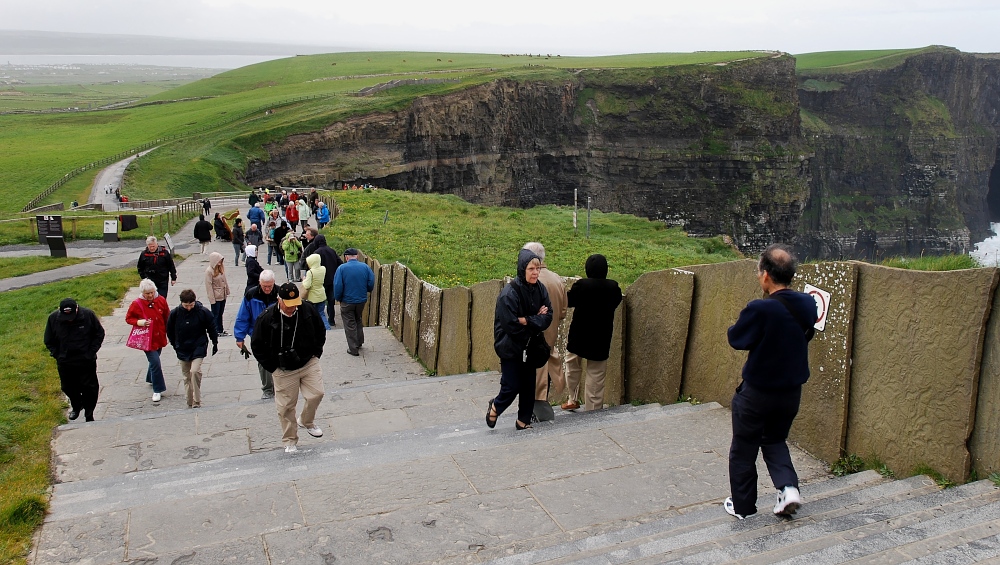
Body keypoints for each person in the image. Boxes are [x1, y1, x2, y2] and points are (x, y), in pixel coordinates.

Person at [724, 244, 817, 521]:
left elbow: (736, 338)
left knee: (743, 448)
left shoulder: (760, 309)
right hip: (790, 393)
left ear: (766, 275)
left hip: (757, 393)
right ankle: (788, 489)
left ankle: (743, 508)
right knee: (775, 439)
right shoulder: (808, 304)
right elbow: (806, 334)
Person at [251, 282, 326, 453]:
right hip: (283, 369)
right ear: (279, 300)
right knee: (286, 407)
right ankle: (290, 440)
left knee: (317, 393)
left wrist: (316, 353)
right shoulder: (266, 317)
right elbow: (256, 345)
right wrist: (273, 368)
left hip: (308, 361)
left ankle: (306, 421)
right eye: (289, 305)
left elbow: (320, 330)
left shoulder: (307, 309)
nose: (293, 308)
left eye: (295, 304)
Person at [486, 249, 552, 430]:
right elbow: (511, 326)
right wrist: (534, 319)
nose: (535, 273)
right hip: (510, 346)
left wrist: (527, 320)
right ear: (523, 269)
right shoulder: (509, 294)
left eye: (538, 269)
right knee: (512, 385)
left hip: (530, 346)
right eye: (531, 269)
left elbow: (548, 317)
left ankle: (523, 420)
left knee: (529, 385)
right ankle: (495, 407)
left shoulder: (541, 289)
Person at [560, 254, 623, 412]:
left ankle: (572, 398)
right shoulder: (613, 287)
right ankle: (593, 410)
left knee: (572, 366)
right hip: (601, 338)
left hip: (579, 335)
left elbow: (568, 301)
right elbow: (616, 301)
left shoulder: (582, 285)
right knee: (596, 374)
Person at [44, 298, 105, 422]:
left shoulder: (88, 315)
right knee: (67, 386)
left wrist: (91, 352)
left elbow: (99, 333)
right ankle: (77, 405)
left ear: (77, 309)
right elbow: (48, 340)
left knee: (90, 387)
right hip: (65, 360)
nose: (70, 319)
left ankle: (89, 414)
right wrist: (57, 354)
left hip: (86, 359)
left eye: (72, 316)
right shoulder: (53, 318)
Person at [522, 242, 567, 404]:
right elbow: (562, 312)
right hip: (551, 335)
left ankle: (534, 408)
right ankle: (541, 403)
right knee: (544, 370)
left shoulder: (528, 280)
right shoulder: (556, 279)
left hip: (531, 336)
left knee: (533, 373)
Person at [167, 289, 218, 408]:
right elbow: (169, 331)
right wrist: (175, 345)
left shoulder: (202, 312)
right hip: (182, 347)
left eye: (191, 305)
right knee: (186, 376)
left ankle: (197, 400)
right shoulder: (175, 314)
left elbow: (211, 327)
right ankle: (189, 399)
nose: (189, 308)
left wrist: (214, 342)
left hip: (198, 345)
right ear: (181, 303)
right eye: (186, 305)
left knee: (194, 371)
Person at [234, 270, 279, 399]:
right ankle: (267, 389)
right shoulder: (251, 294)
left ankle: (280, 386)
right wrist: (239, 337)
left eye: (270, 286)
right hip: (258, 334)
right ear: (260, 283)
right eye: (264, 286)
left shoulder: (280, 293)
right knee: (263, 361)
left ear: (274, 283)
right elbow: (243, 316)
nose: (267, 289)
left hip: (277, 332)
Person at [125, 279, 171, 402]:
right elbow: (129, 318)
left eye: (151, 292)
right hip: (147, 339)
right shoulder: (137, 304)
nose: (150, 295)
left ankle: (151, 377)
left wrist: (171, 331)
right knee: (155, 362)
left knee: (154, 360)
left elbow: (167, 316)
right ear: (142, 293)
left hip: (160, 336)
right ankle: (158, 389)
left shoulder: (161, 300)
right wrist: (139, 322)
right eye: (147, 293)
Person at [333, 248, 375, 356]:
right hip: (361, 299)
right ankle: (359, 342)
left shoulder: (342, 268)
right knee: (358, 319)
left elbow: (338, 285)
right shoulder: (365, 267)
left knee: (349, 323)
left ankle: (353, 349)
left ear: (346, 257)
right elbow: (371, 281)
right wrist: (367, 290)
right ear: (357, 256)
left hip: (347, 300)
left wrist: (338, 298)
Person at [303, 233, 342, 325]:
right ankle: (331, 320)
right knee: (331, 300)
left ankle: (319, 320)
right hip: (332, 279)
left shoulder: (316, 253)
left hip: (321, 281)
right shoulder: (332, 251)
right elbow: (340, 262)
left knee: (320, 301)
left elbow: (311, 267)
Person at [204, 252, 230, 336]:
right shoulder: (209, 271)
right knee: (215, 314)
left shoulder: (220, 268)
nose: (220, 262)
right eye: (219, 260)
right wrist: (212, 299)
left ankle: (220, 329)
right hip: (216, 296)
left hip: (222, 294)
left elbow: (224, 280)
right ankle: (214, 330)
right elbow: (209, 285)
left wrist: (227, 291)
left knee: (220, 313)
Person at [303, 253, 331, 330]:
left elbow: (307, 285)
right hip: (321, 294)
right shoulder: (323, 269)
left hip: (313, 296)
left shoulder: (310, 272)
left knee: (312, 314)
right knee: (321, 313)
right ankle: (327, 328)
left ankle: (314, 329)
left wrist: (304, 280)